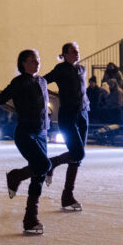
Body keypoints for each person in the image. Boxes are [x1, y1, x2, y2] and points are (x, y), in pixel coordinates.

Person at [0, 49, 51, 235]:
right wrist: (17, 110)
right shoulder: (19, 82)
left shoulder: (42, 81)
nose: (37, 63)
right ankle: (16, 176)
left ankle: (31, 219)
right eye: (32, 61)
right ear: (23, 63)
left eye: (38, 60)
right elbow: (0, 99)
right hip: (25, 132)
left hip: (42, 131)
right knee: (44, 165)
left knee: (39, 174)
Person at [42, 42, 90, 212]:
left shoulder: (82, 69)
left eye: (78, 51)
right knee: (78, 153)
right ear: (65, 54)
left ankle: (67, 196)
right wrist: (53, 95)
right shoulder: (60, 69)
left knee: (77, 158)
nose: (77, 53)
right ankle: (52, 163)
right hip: (68, 115)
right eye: (73, 51)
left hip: (83, 114)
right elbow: (43, 81)